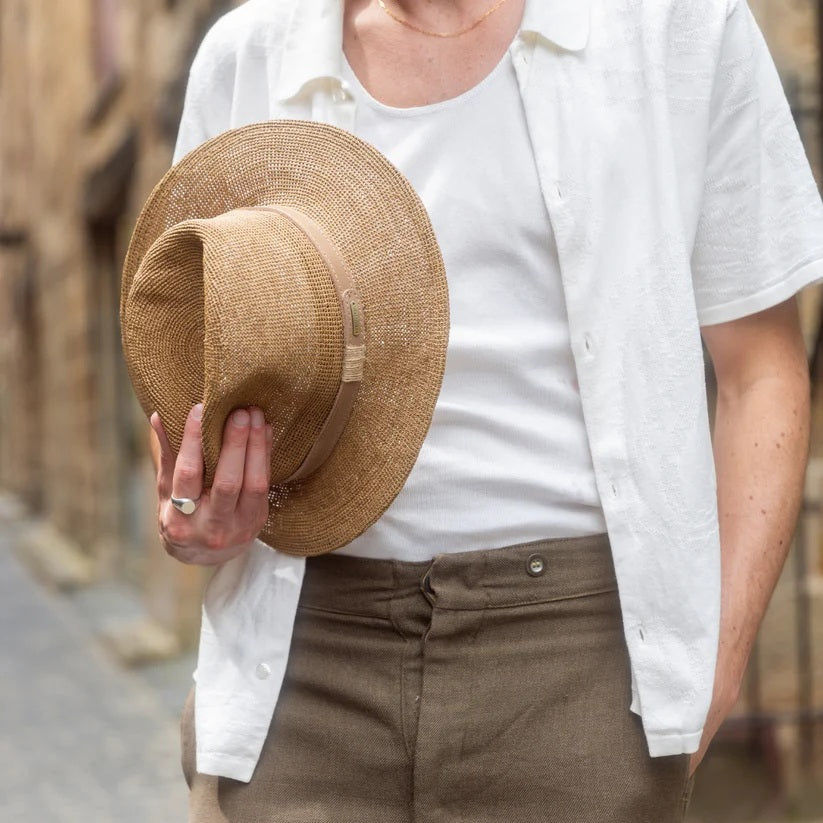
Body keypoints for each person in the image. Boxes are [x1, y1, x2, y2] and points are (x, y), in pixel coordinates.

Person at [146, 0, 823, 820]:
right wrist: (199, 518)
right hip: (299, 665)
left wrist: (715, 666)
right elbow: (198, 387)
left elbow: (761, 372)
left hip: (579, 664)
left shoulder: (676, 25)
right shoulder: (248, 56)